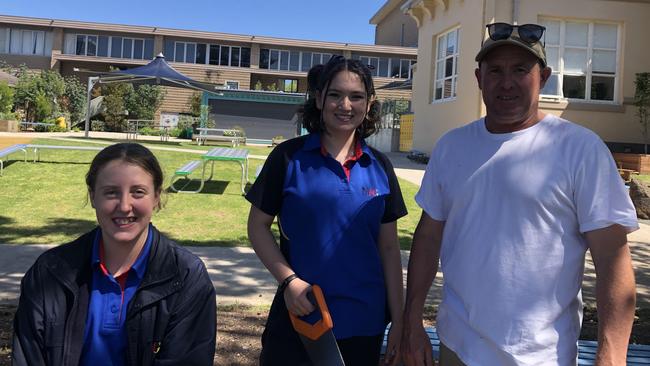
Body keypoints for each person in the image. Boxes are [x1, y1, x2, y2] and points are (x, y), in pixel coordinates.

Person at [402, 22, 638, 365]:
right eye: (495, 70)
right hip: (458, 346)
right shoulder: (452, 147)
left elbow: (612, 258)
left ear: (543, 77)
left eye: (520, 69)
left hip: (542, 356)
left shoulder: (579, 149)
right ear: (478, 78)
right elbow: (427, 238)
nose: (506, 82)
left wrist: (612, 355)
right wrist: (412, 322)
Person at [246, 55, 407, 365]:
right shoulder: (288, 157)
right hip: (301, 314)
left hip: (365, 320)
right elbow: (257, 226)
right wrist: (289, 281)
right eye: (335, 94)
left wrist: (398, 320)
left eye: (356, 96)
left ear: (369, 103)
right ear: (319, 99)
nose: (345, 105)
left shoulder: (380, 166)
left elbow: (388, 248)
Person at [12, 143, 216, 366]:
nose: (124, 206)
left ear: (156, 197)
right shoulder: (50, 273)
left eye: (138, 192)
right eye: (111, 192)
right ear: (93, 197)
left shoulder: (186, 277)